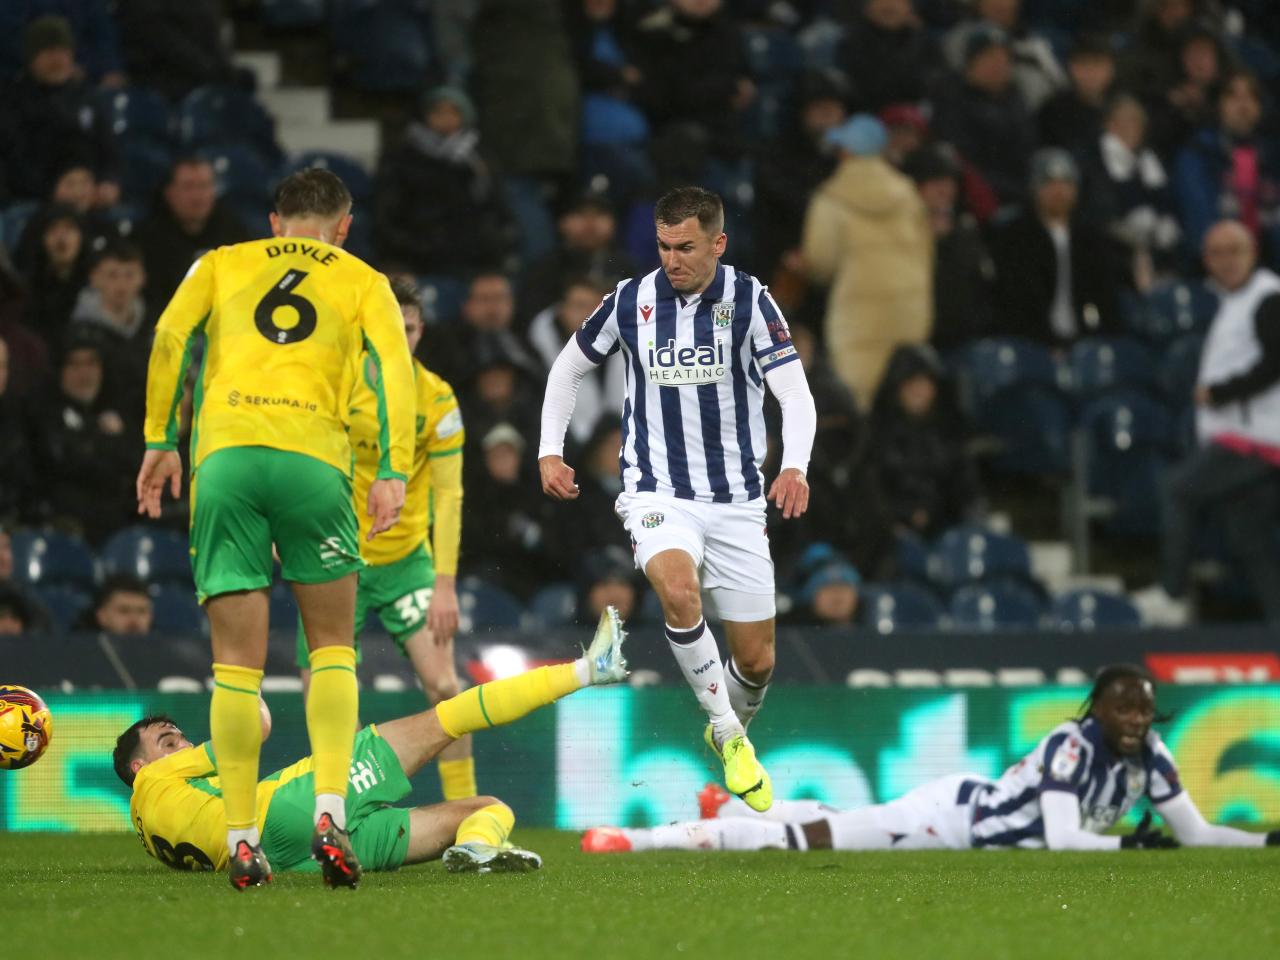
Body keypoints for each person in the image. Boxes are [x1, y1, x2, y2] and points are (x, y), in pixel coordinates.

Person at [135, 168, 416, 891]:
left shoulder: (222, 262)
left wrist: (159, 439)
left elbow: (170, 336)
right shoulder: (363, 279)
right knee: (331, 651)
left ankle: (238, 837)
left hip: (225, 458)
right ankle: (331, 811)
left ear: (274, 222)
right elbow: (394, 368)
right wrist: (392, 466)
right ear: (343, 227)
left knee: (235, 664)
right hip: (313, 464)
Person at [539, 185, 817, 812]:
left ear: (718, 242)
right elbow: (568, 367)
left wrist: (794, 466)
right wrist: (548, 450)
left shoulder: (750, 300)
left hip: (738, 499)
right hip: (657, 488)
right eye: (664, 246)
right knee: (677, 587)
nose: (672, 259)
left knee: (759, 661)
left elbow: (794, 395)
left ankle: (730, 725)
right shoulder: (632, 299)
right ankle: (727, 732)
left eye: (686, 247)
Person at [115, 607, 629, 879]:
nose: (181, 746)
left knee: (486, 808)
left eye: (177, 738)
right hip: (293, 809)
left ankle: (475, 849)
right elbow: (257, 726)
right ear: (139, 767)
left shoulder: (149, 827)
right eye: (167, 742)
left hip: (281, 857)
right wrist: (240, 685)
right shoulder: (159, 778)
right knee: (447, 717)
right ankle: (588, 669)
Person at [584, 664, 1280, 853]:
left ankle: (726, 807)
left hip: (964, 819)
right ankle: (639, 838)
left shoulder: (1151, 755)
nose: (1134, 720)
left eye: (1142, 710)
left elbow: (1194, 834)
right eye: (1122, 708)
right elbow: (1066, 839)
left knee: (845, 819)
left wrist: (1264, 840)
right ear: (1097, 710)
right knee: (806, 841)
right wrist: (1129, 846)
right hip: (955, 821)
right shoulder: (1072, 745)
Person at [295, 276, 472, 804]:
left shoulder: (438, 400)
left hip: (404, 564)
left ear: (421, 331)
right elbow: (306, 460)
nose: (401, 336)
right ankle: (344, 813)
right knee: (327, 703)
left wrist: (444, 585)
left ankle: (463, 811)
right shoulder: (337, 384)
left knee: (444, 687)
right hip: (334, 556)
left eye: (410, 327)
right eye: (391, 326)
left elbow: (449, 497)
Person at [1134, 221, 1280, 626]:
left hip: (1253, 437)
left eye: (1235, 251)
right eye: (1217, 253)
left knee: (1179, 490)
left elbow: (1276, 361)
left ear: (1253, 253)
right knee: (1249, 540)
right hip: (1251, 438)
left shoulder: (1268, 298)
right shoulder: (1236, 300)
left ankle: (1171, 592)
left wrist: (1220, 393)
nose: (1226, 261)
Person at [801, 114, 932, 410]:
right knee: (905, 401)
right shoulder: (908, 193)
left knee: (861, 402)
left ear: (847, 152)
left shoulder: (830, 199)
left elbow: (820, 264)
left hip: (858, 319)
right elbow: (927, 256)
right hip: (910, 313)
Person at [989, 148, 1122, 346]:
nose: (1058, 191)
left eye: (1065, 183)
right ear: (1035, 188)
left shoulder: (1089, 239)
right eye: (1049, 183)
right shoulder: (1016, 238)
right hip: (1031, 346)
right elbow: (1014, 303)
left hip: (1084, 345)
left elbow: (1105, 298)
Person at [373, 87, 508, 277]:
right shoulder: (401, 156)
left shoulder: (479, 157)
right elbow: (388, 211)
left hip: (471, 258)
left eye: (454, 112)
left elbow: (495, 206)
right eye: (438, 112)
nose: (446, 119)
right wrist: (416, 245)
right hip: (417, 259)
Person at [134, 156, 250, 304]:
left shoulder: (234, 230)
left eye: (203, 186)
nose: (197, 196)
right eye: (188, 187)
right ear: (169, 193)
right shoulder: (148, 238)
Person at [86, 573, 153, 636]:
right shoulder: (81, 647)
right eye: (124, 611)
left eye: (142, 611)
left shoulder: (162, 645)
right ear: (102, 616)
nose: (134, 620)